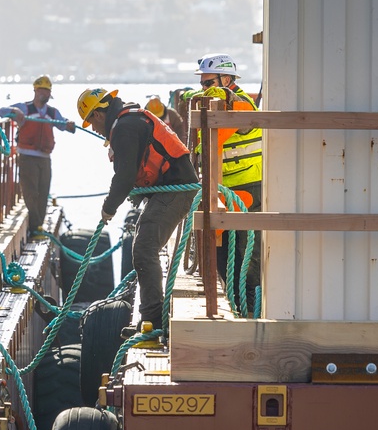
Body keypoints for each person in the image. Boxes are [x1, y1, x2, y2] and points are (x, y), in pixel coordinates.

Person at [77, 87, 199, 339]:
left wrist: (108, 208)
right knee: (143, 246)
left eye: (91, 122)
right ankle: (151, 317)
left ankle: (153, 319)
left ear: (99, 115)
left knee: (144, 248)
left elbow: (124, 176)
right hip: (167, 188)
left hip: (175, 190)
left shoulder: (124, 127)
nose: (93, 129)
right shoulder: (129, 120)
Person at [188, 55, 262, 314]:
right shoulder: (217, 103)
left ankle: (251, 309)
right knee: (221, 254)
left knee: (245, 256)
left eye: (209, 83)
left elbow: (208, 139)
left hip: (248, 190)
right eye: (203, 83)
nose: (204, 89)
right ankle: (238, 305)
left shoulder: (242, 105)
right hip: (223, 190)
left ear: (227, 80)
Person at [0, 75, 76, 237]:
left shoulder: (52, 113)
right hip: (27, 157)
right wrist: (13, 111)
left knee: (43, 190)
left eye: (48, 91)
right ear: (35, 90)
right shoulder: (25, 109)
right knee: (30, 191)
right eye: (43, 90)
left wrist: (69, 124)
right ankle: (35, 226)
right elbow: (1, 111)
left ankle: (38, 225)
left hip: (45, 158)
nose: (45, 94)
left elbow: (64, 125)